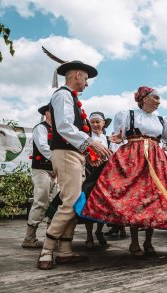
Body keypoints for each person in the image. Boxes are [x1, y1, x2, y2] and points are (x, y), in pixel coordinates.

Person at [77, 86, 167, 258]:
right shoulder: (128, 115)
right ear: (144, 98)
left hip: (156, 161)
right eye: (155, 97)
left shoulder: (162, 121)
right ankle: (134, 242)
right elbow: (118, 137)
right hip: (133, 159)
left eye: (159, 98)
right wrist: (117, 140)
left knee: (154, 199)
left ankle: (148, 241)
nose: (159, 101)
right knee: (135, 199)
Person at [37, 60, 112, 270]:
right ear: (77, 75)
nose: (87, 84)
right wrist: (90, 143)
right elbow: (63, 126)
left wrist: (86, 153)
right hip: (66, 154)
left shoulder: (70, 97)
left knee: (73, 201)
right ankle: (47, 250)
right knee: (70, 203)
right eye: (86, 79)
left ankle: (65, 251)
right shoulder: (63, 95)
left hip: (73, 155)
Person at [22, 105, 58, 248]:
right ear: (47, 113)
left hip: (55, 170)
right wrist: (58, 161)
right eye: (52, 111)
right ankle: (29, 238)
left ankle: (50, 238)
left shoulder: (58, 130)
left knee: (56, 202)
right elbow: (43, 147)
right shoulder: (40, 128)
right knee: (41, 200)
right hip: (41, 169)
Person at [82, 112, 113, 249]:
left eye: (97, 122)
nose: (95, 125)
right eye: (92, 122)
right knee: (89, 202)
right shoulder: (86, 137)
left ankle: (99, 231)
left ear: (103, 124)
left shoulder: (109, 139)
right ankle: (89, 236)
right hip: (89, 172)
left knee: (103, 203)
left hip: (104, 173)